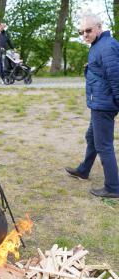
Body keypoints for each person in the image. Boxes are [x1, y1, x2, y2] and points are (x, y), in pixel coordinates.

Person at [65, 12, 119, 198]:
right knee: (91, 137)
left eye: (88, 30)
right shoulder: (98, 45)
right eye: (81, 32)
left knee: (104, 145)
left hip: (104, 105)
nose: (85, 35)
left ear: (99, 27)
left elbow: (116, 77)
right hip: (99, 103)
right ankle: (84, 170)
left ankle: (113, 187)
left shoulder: (107, 46)